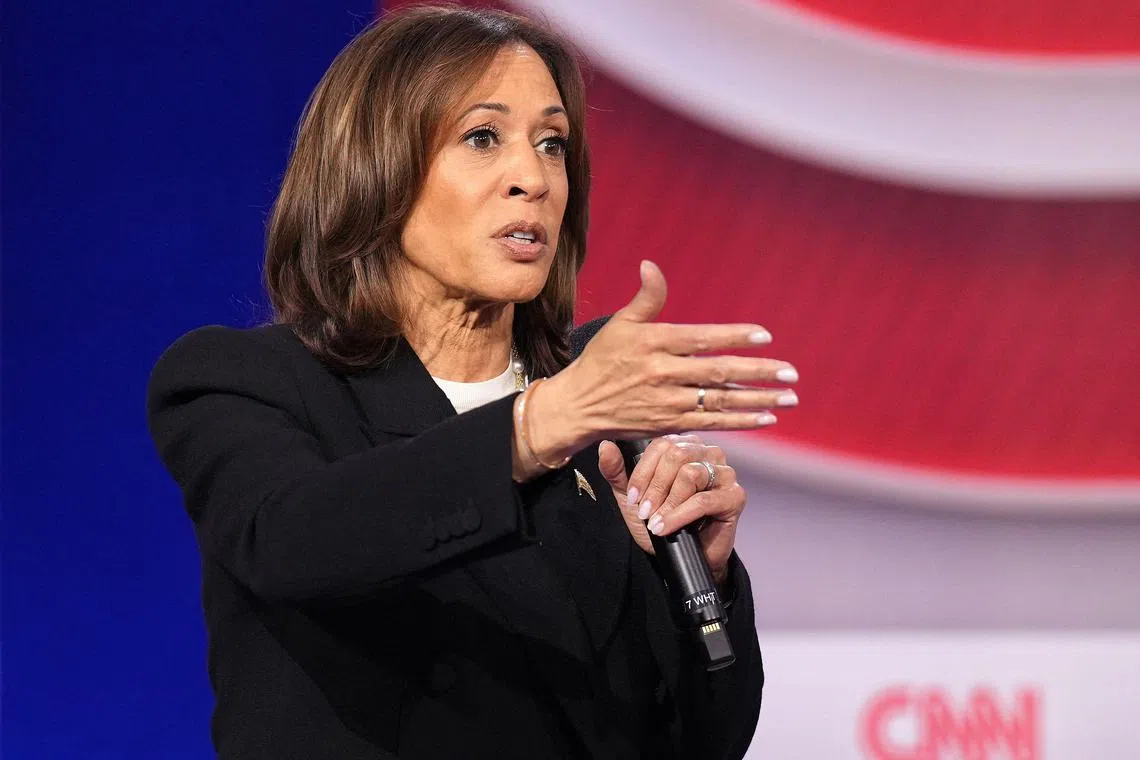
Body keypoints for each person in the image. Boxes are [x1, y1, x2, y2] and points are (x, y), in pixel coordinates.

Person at [147, 5, 799, 759]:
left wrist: (703, 585)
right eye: (482, 137)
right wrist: (535, 424)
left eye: (552, 144)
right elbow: (293, 542)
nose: (532, 178)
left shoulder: (598, 419)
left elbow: (702, 740)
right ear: (375, 167)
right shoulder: (244, 381)